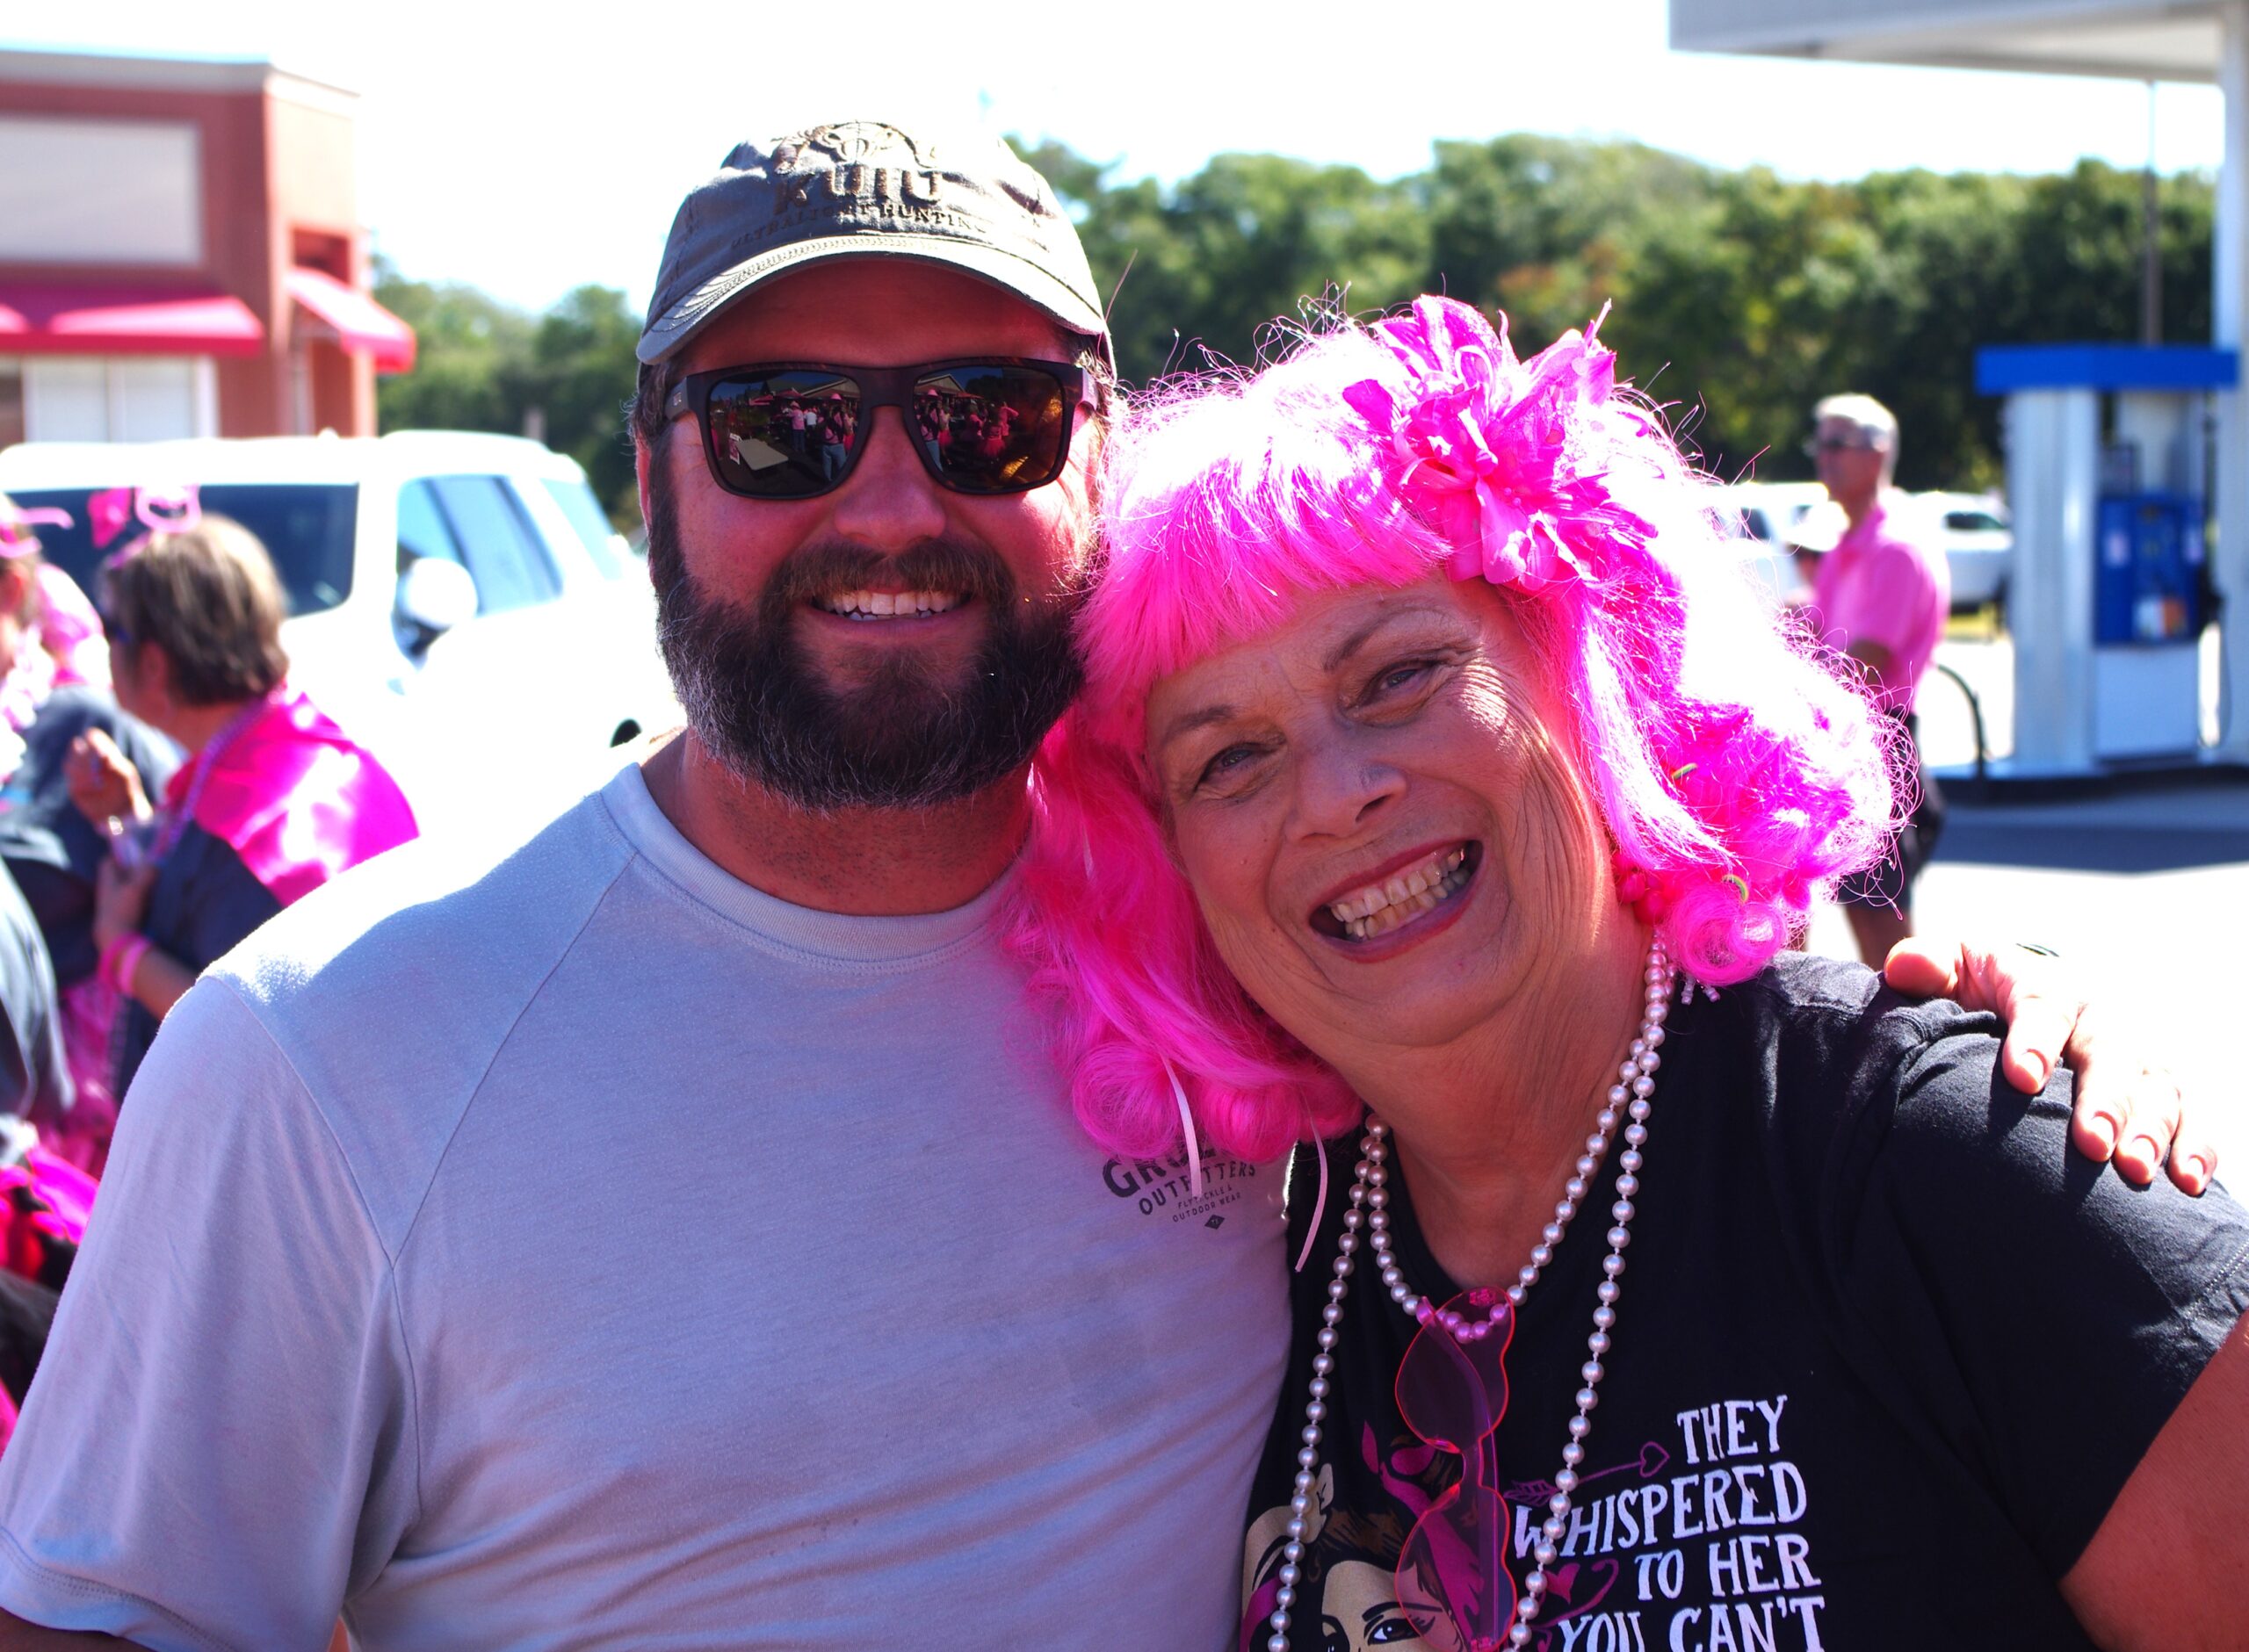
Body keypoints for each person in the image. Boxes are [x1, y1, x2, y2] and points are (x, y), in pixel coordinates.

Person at [0, 126, 2203, 1652]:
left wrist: (1970, 1044)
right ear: (648, 464)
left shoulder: (1276, 1021)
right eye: (779, 424)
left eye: (983, 414)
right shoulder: (328, 1051)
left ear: (1090, 456)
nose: (887, 498)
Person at [1011, 297, 2248, 1649]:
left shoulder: (1948, 1163)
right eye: (1229, 757)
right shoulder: (1255, 1258)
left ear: (1589, 667)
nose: (1335, 793)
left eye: (1401, 675)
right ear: (1170, 859)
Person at [62, 505, 418, 1100]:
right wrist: (129, 823)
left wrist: (119, 946)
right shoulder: (302, 740)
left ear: (153, 664)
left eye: (110, 629)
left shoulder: (242, 841)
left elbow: (237, 1031)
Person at [0, 498, 175, 1172]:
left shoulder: (86, 721)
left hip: (78, 1132)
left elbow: (176, 887)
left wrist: (126, 821)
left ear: (10, 590)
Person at [1804, 394, 1950, 968]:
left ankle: (1908, 1026)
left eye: (1837, 443)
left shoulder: (1895, 550)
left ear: (1878, 453)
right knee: (1867, 925)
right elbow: (1826, 637)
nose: (1824, 456)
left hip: (1879, 744)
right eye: (1820, 443)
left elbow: (1862, 666)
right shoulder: (1850, 543)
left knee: (1889, 947)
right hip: (1856, 742)